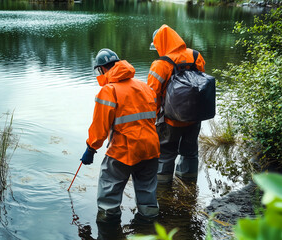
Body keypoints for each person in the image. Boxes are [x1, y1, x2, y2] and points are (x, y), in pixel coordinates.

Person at [80, 48, 160, 225]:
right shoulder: (144, 86)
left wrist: (91, 148)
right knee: (147, 192)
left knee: (109, 188)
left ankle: (109, 228)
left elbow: (100, 127)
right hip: (151, 148)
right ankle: (149, 226)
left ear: (102, 69)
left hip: (124, 150)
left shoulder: (108, 91)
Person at [147, 24, 206, 183]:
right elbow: (201, 83)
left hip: (170, 120)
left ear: (161, 44)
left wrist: (152, 119)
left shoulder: (160, 64)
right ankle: (189, 180)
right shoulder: (196, 56)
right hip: (194, 116)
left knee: (165, 154)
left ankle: (163, 188)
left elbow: (152, 96)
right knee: (190, 151)